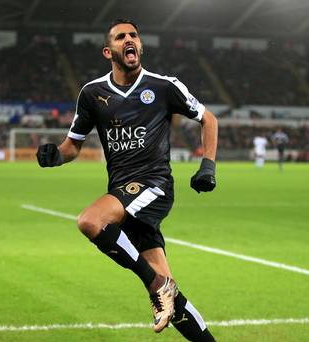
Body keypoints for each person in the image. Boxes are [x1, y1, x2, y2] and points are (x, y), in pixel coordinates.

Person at [37, 19, 217, 341]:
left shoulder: (164, 86)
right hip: (123, 194)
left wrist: (208, 165)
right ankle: (168, 293)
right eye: (121, 37)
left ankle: (155, 286)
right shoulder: (92, 94)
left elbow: (208, 118)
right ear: (109, 51)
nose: (129, 40)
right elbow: (73, 145)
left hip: (153, 185)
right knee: (172, 301)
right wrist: (55, 156)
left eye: (134, 35)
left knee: (90, 221)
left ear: (140, 46)